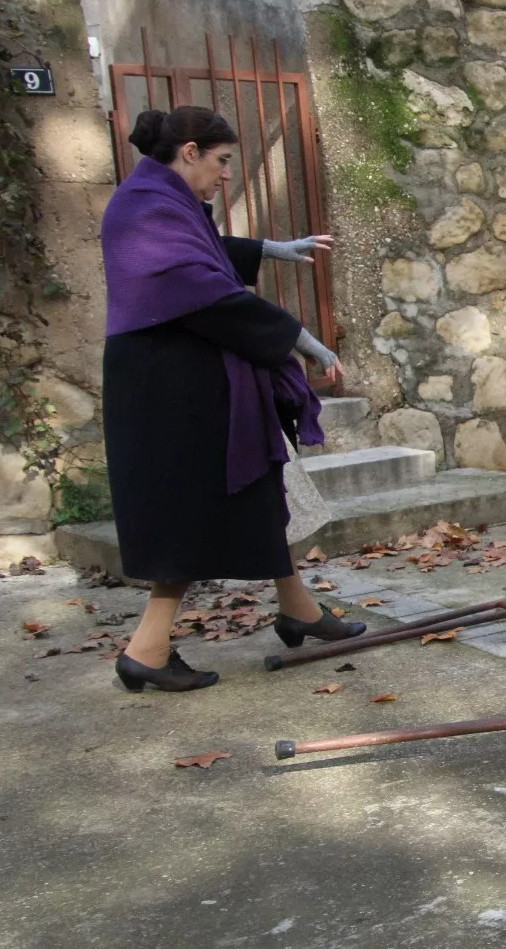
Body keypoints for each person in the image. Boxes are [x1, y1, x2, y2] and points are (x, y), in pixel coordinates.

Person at [101, 106, 365, 693]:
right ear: (189, 151)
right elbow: (208, 290)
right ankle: (145, 649)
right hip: (168, 390)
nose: (226, 175)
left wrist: (268, 249)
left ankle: (298, 610)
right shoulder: (144, 207)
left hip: (189, 379)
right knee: (192, 512)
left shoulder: (158, 198)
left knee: (259, 492)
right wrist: (304, 341)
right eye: (222, 161)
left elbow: (207, 251)